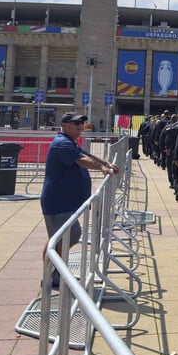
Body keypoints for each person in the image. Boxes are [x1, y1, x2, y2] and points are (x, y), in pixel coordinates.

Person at [40, 112, 118, 288]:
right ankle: (49, 274)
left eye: (82, 123)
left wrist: (106, 163)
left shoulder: (70, 142)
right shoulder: (62, 144)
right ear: (65, 125)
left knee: (62, 238)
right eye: (76, 123)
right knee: (64, 238)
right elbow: (82, 160)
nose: (80, 126)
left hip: (67, 202)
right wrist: (102, 169)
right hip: (58, 202)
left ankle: (56, 274)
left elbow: (87, 154)